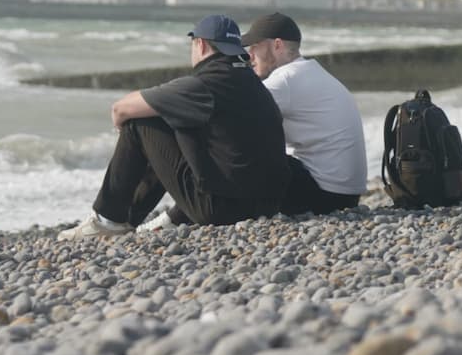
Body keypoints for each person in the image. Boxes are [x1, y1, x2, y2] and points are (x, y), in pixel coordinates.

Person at [60, 15, 289, 239]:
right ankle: (132, 219)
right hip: (267, 206)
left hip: (221, 211)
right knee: (177, 118)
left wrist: (127, 132)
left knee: (141, 122)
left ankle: (108, 219)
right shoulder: (252, 83)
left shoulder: (204, 83)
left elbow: (120, 109)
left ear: (199, 44)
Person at [240, 12, 367, 216]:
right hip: (346, 195)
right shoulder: (312, 73)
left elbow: (233, 118)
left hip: (324, 197)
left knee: (243, 150)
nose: (249, 55)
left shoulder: (286, 79)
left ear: (277, 45)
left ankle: (194, 212)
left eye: (254, 46)